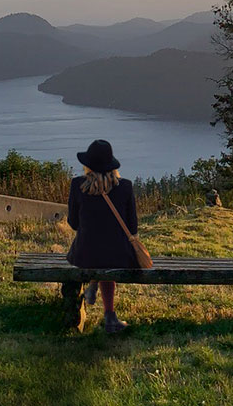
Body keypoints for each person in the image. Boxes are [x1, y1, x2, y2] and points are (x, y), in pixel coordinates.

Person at [66, 138, 138, 333]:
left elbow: (73, 223)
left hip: (85, 254)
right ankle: (110, 317)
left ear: (88, 165)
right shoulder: (125, 186)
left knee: (99, 253)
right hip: (119, 255)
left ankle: (93, 283)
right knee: (108, 256)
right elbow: (132, 228)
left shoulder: (77, 185)